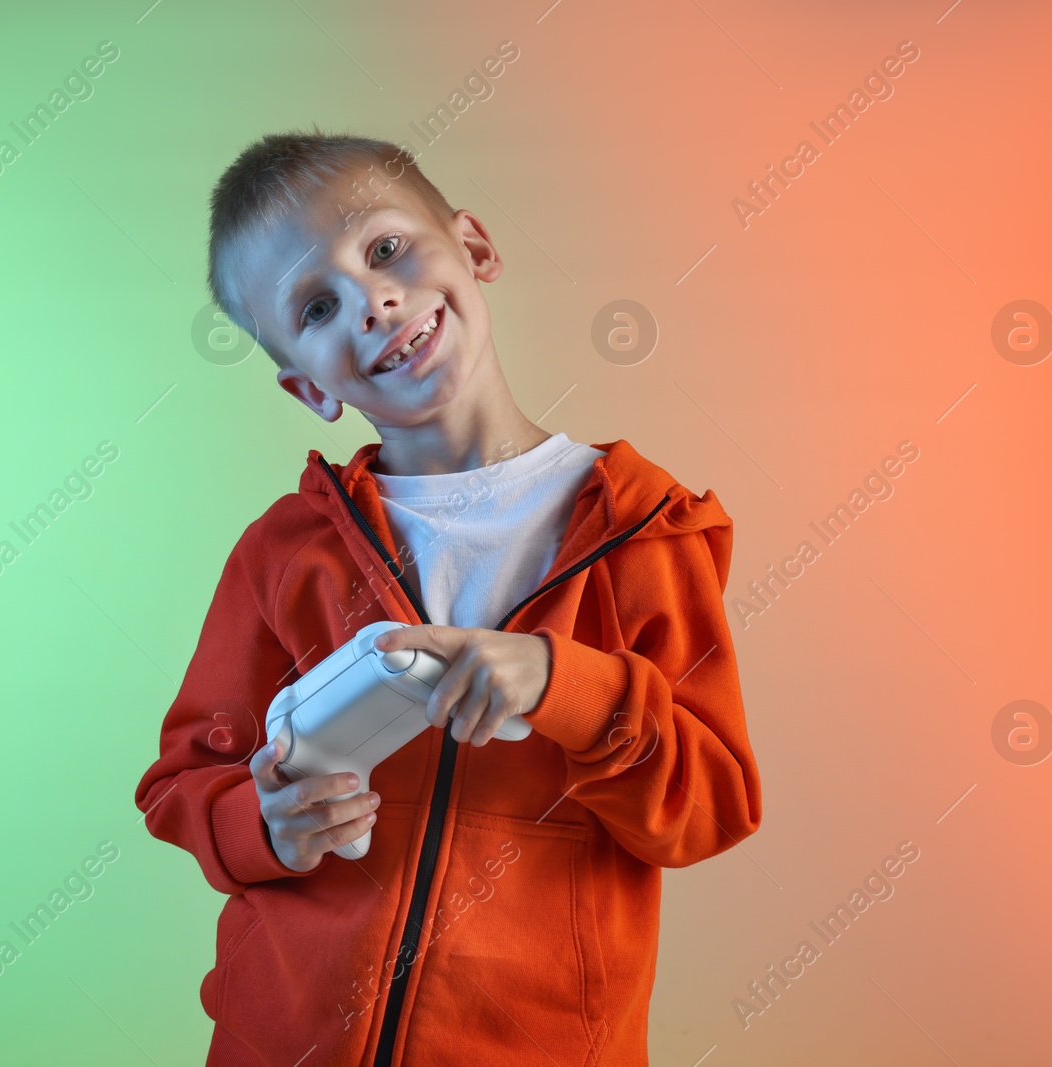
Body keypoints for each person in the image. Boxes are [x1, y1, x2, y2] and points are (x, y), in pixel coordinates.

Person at [134, 128, 763, 1066]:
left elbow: (712, 801)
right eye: (316, 306)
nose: (374, 302)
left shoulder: (647, 530)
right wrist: (262, 823)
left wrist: (565, 682)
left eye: (385, 249)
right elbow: (185, 776)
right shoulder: (282, 552)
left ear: (473, 247)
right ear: (309, 386)